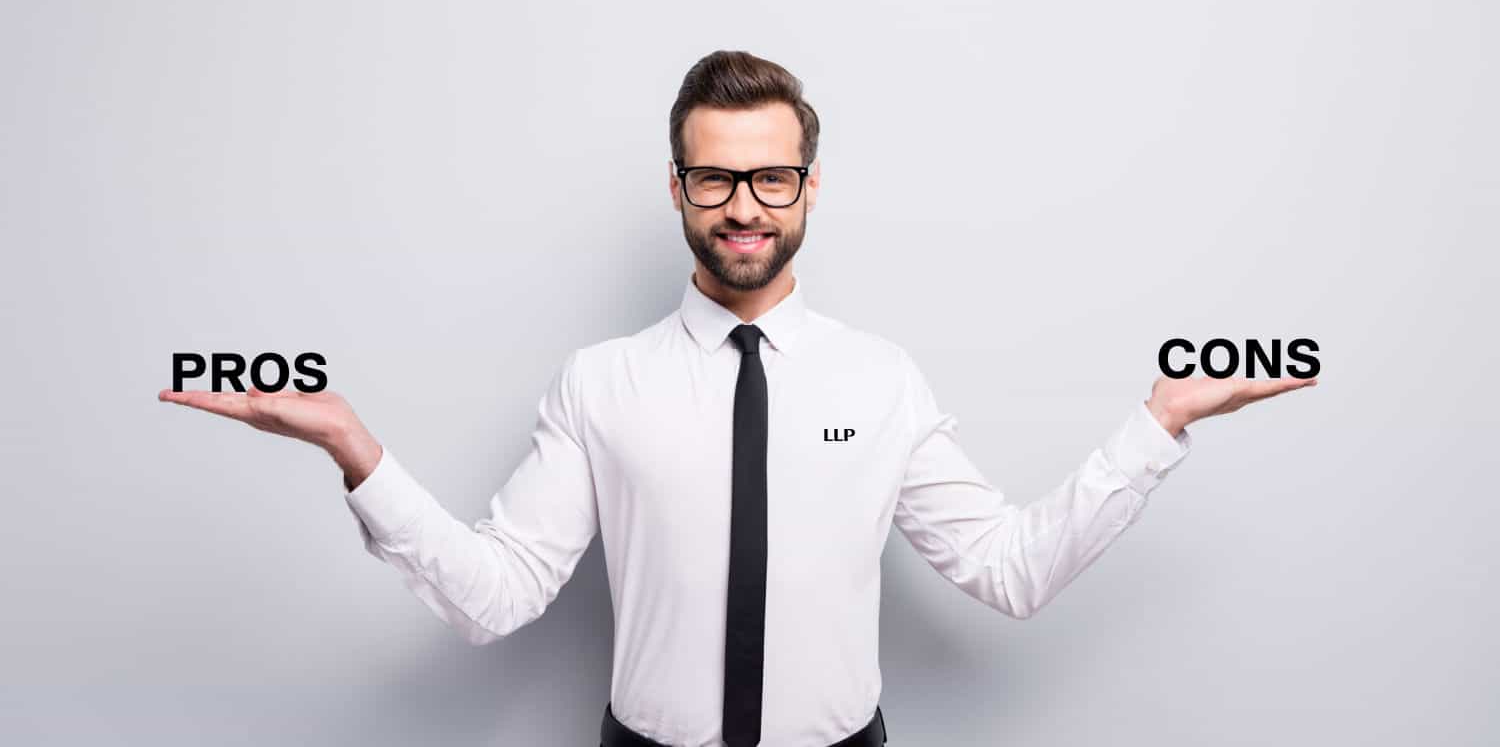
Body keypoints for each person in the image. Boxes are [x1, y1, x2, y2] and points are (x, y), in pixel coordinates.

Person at [159, 49, 1317, 747]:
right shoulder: (600, 382)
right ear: (678, 186)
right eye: (714, 175)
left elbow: (1009, 573)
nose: (743, 205)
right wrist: (353, 448)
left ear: (810, 186)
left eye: (771, 176)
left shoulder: (881, 376)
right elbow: (493, 600)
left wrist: (1155, 429)